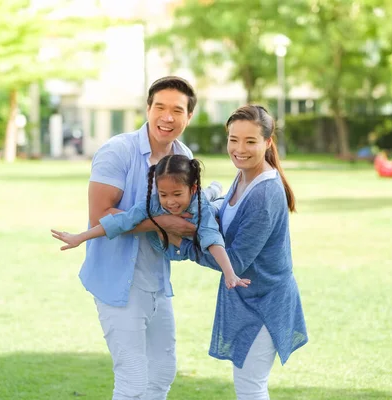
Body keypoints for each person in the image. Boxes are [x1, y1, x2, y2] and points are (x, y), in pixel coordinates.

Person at [166, 105, 308, 399]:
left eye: (250, 141)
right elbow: (224, 212)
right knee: (248, 384)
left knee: (250, 386)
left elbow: (237, 261)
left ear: (268, 143)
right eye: (233, 139)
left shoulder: (264, 193)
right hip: (247, 299)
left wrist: (180, 242)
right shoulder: (244, 176)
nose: (239, 149)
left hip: (265, 303)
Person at [75, 76, 199, 400]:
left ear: (189, 116)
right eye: (159, 107)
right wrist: (161, 222)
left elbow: (189, 218)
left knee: (162, 372)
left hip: (156, 282)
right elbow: (100, 215)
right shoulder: (117, 151)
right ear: (148, 108)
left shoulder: (184, 157)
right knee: (132, 379)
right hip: (117, 282)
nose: (167, 117)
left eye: (177, 110)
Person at [51, 154, 250, 289]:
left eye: (177, 194)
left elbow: (213, 240)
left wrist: (229, 273)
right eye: (164, 194)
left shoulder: (201, 208)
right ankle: (213, 189)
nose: (170, 201)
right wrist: (80, 237)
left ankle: (214, 190)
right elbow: (120, 222)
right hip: (182, 226)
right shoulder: (151, 205)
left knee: (212, 203)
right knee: (206, 198)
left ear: (192, 189)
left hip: (202, 207)